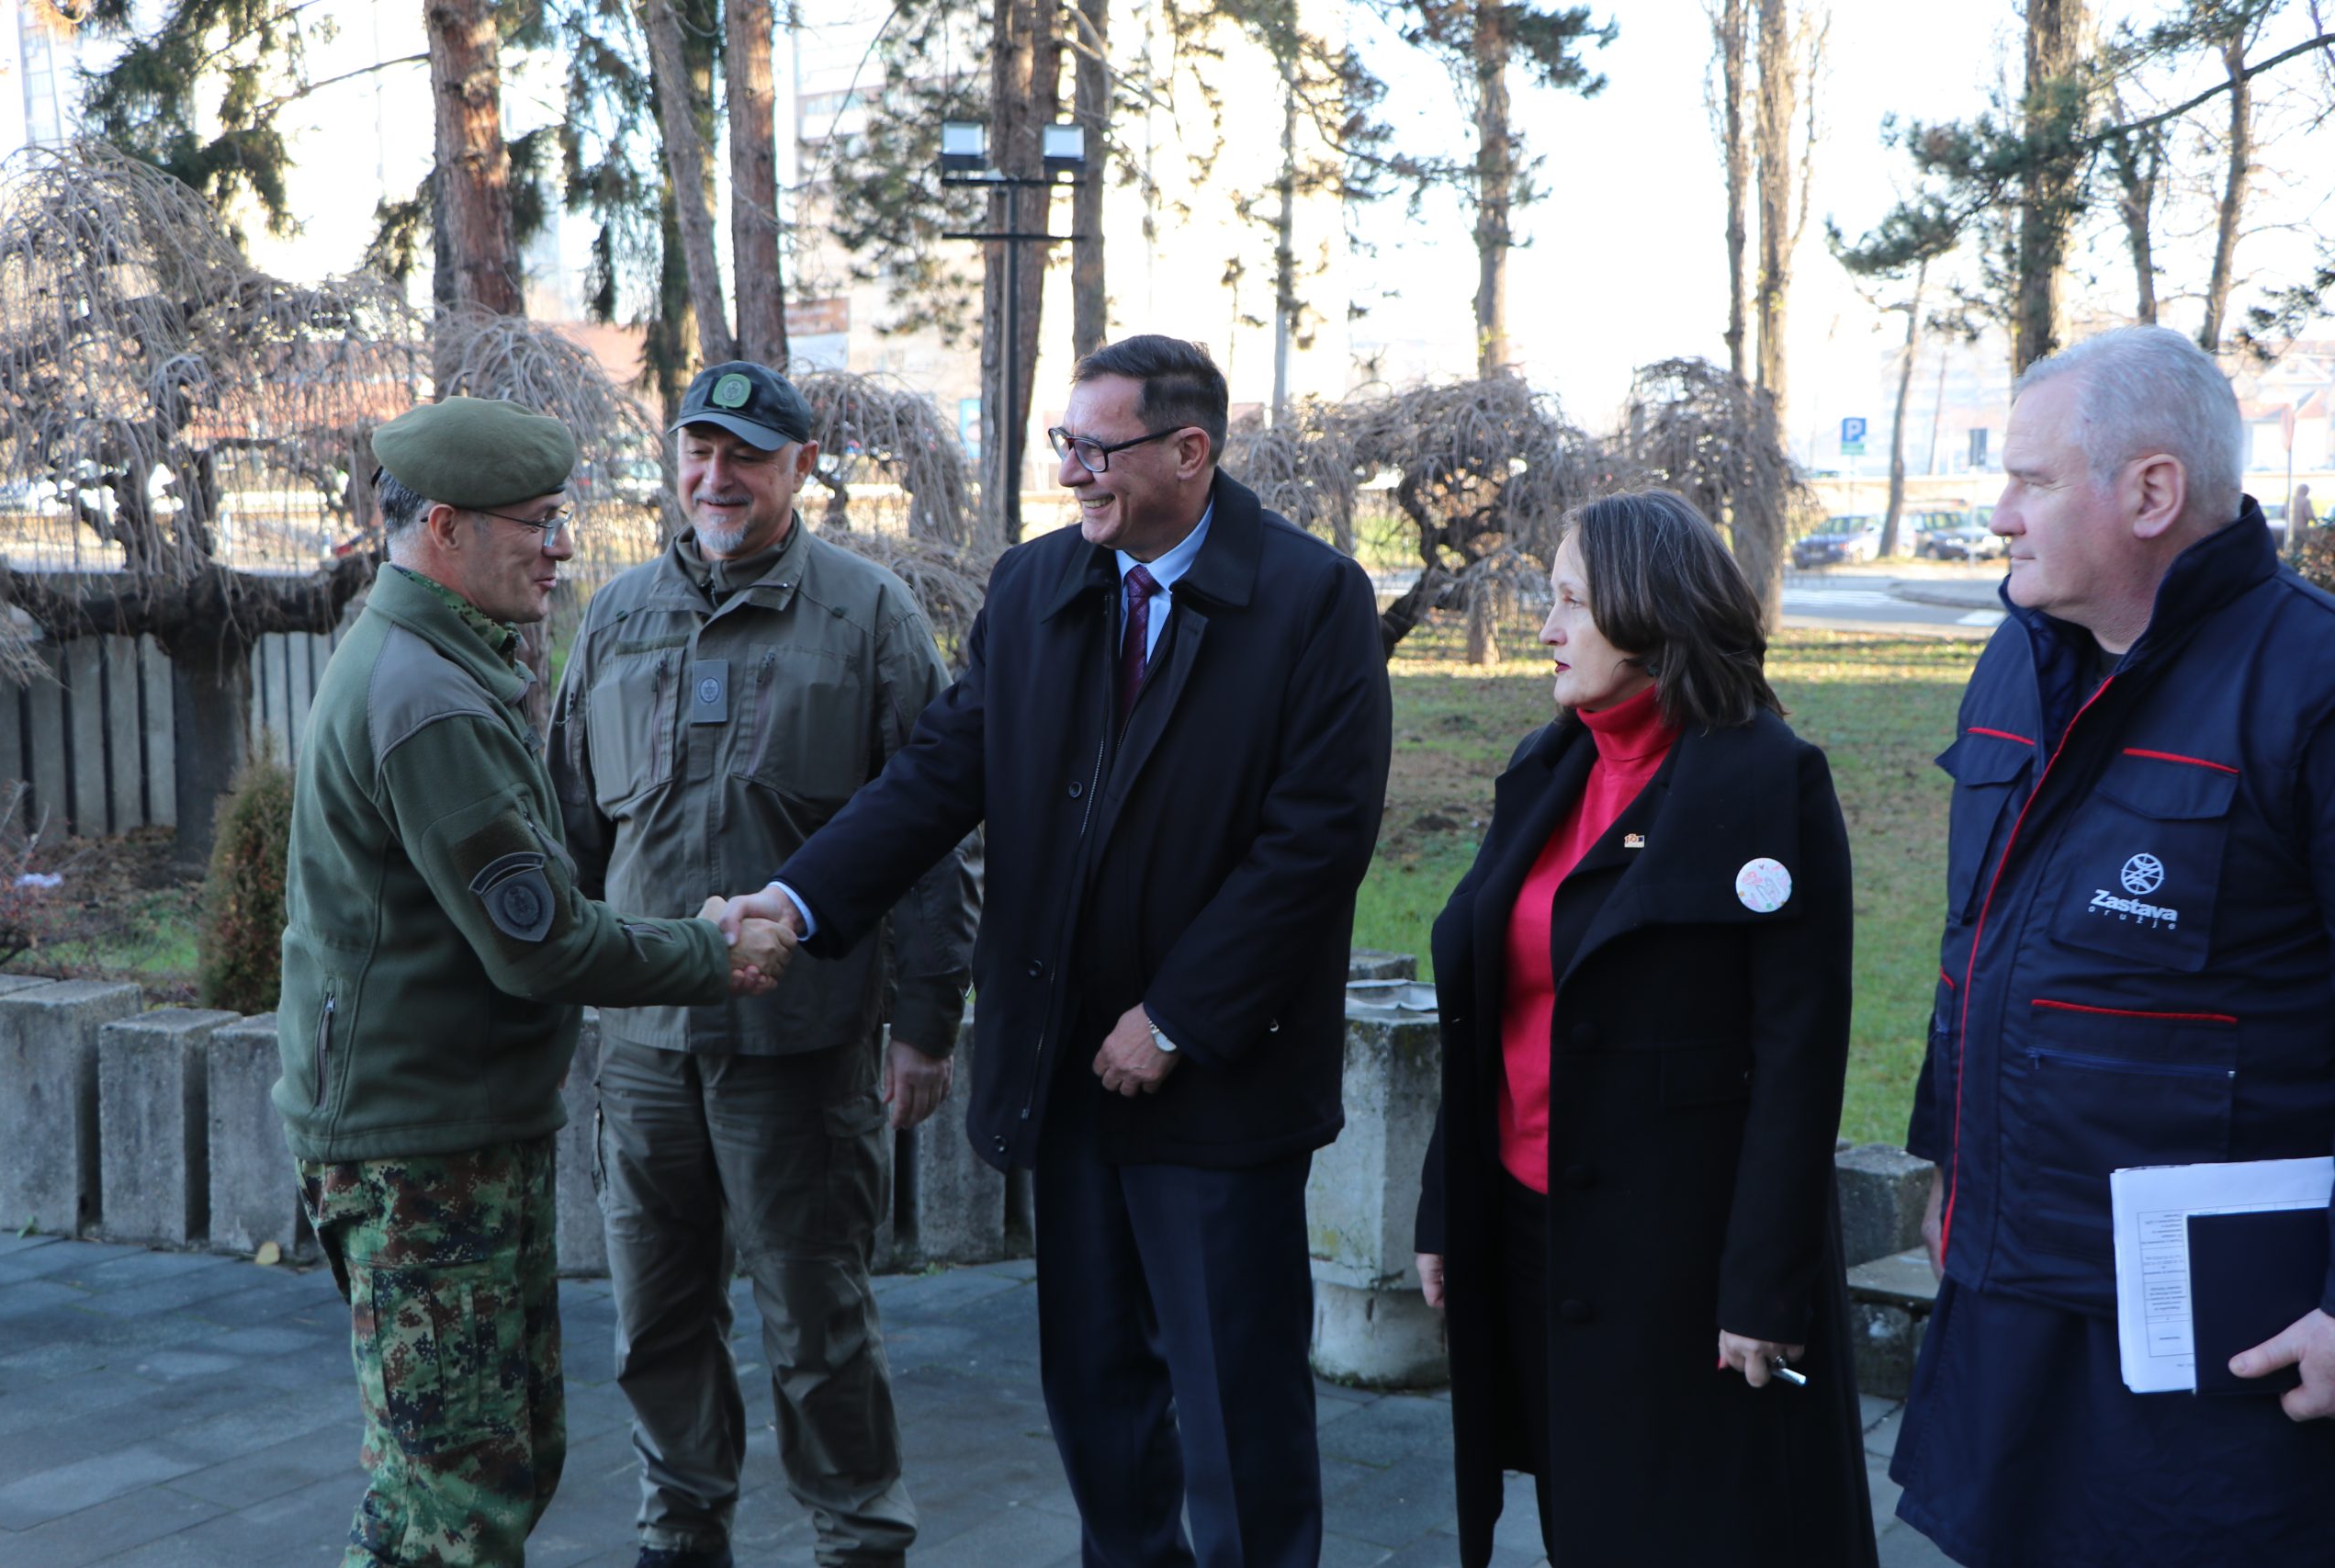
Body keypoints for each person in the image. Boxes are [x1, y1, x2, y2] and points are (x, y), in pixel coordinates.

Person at [717, 334, 1393, 1568]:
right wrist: (798, 900)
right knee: (1099, 1405)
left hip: (1221, 1089)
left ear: (1189, 452)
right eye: (1063, 445)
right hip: (1066, 1078)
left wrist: (1177, 1016)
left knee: (1239, 1420)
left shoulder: (1312, 600)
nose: (1072, 472)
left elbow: (1316, 843)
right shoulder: (1035, 589)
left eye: (1095, 448)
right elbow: (934, 776)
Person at [273, 394, 796, 1568]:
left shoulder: (435, 657)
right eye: (539, 523)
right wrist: (714, 952)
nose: (562, 546)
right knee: (458, 1497)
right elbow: (541, 942)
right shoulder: (427, 697)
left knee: (485, 1464)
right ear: (445, 529)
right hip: (422, 1153)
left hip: (447, 1128)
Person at [1894, 324, 2335, 1567]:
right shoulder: (2017, 662)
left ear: (2151, 491)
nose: (1997, 514)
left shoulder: (2310, 681)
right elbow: (1971, 946)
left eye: (2030, 479)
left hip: (2222, 1356)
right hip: (2014, 1297)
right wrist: (1947, 1157)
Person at [547, 361, 979, 1568]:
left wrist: (926, 1019)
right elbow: (572, 829)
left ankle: (858, 1536)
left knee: (818, 1321)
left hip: (801, 1045)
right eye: (699, 449)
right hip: (643, 1053)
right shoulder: (619, 614)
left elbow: (939, 831)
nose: (715, 475)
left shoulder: (867, 615)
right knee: (656, 1316)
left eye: (745, 453)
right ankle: (679, 1530)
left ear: (799, 465)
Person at [1411, 490, 1877, 1568]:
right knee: (1581, 1515)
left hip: (1683, 1268)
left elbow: (1802, 1058)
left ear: (1646, 610)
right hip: (1532, 1241)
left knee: (1685, 1529)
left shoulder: (1770, 783)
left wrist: (1764, 1287)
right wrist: (1449, 1203)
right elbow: (1487, 1010)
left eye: (1571, 600)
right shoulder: (1546, 766)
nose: (1545, 627)